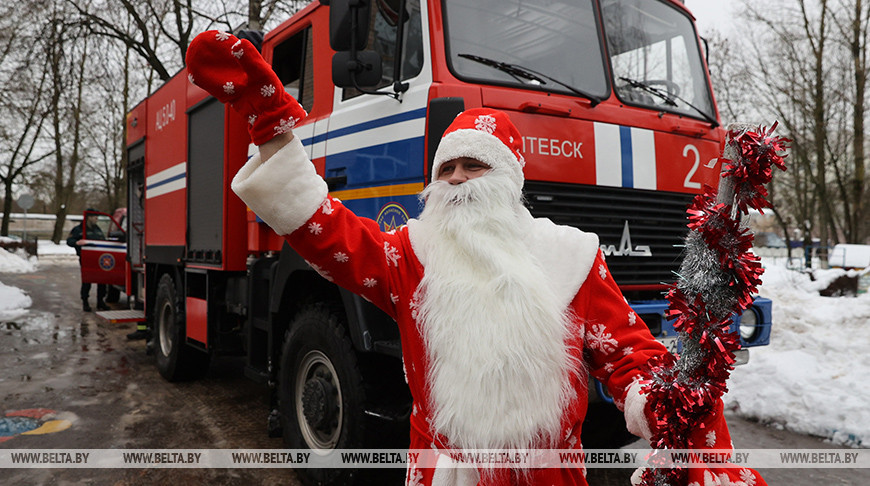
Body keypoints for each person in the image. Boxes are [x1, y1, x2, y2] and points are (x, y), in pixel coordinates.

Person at [186, 31, 766, 485]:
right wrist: (274, 134)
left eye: (476, 166)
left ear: (509, 179)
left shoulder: (572, 258)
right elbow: (324, 233)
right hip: (446, 474)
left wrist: (654, 397)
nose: (459, 180)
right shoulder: (411, 256)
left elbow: (627, 354)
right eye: (447, 169)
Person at [67, 209, 108, 312]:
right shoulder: (79, 229)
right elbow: (69, 241)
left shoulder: (97, 229)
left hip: (99, 258)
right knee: (87, 280)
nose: (96, 219)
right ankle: (85, 301)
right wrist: (77, 242)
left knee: (102, 280)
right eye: (95, 217)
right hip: (86, 258)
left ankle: (100, 301)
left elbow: (103, 240)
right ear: (89, 217)